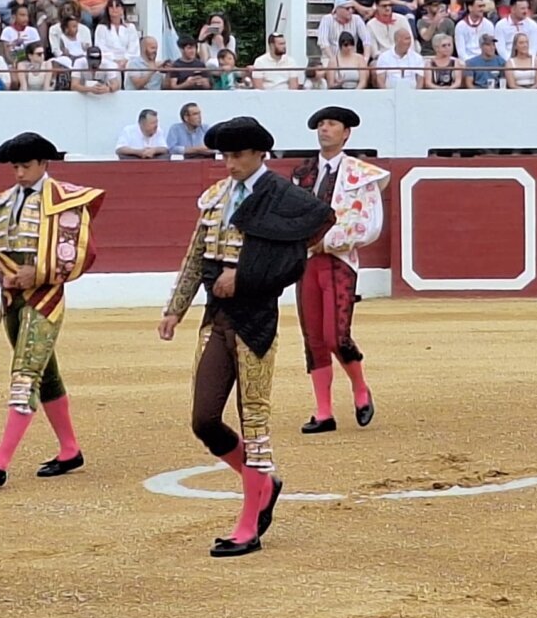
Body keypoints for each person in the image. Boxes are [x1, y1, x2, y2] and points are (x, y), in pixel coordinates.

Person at [158, 117, 334, 558]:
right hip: (215, 316)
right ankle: (264, 484)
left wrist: (246, 276)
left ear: (260, 155)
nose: (230, 163)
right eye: (226, 155)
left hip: (255, 317)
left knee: (254, 419)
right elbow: (196, 255)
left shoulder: (280, 196)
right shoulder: (216, 197)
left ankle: (249, 522)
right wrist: (175, 308)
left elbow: (296, 251)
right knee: (204, 419)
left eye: (238, 155)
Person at [0, 133, 104, 488]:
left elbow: (79, 255)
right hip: (11, 302)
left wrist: (35, 273)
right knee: (46, 375)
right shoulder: (3, 204)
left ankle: (0, 461)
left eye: (25, 165)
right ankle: (70, 450)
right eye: (15, 166)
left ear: (43, 164)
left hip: (44, 299)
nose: (19, 173)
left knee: (25, 373)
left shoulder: (65, 200)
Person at [290, 107, 387, 434]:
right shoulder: (301, 174)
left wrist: (326, 241)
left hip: (339, 262)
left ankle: (360, 389)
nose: (324, 129)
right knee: (313, 338)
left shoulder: (361, 174)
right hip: (305, 265)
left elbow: (370, 225)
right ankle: (324, 412)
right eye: (320, 124)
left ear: (346, 133)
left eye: (331, 124)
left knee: (335, 335)